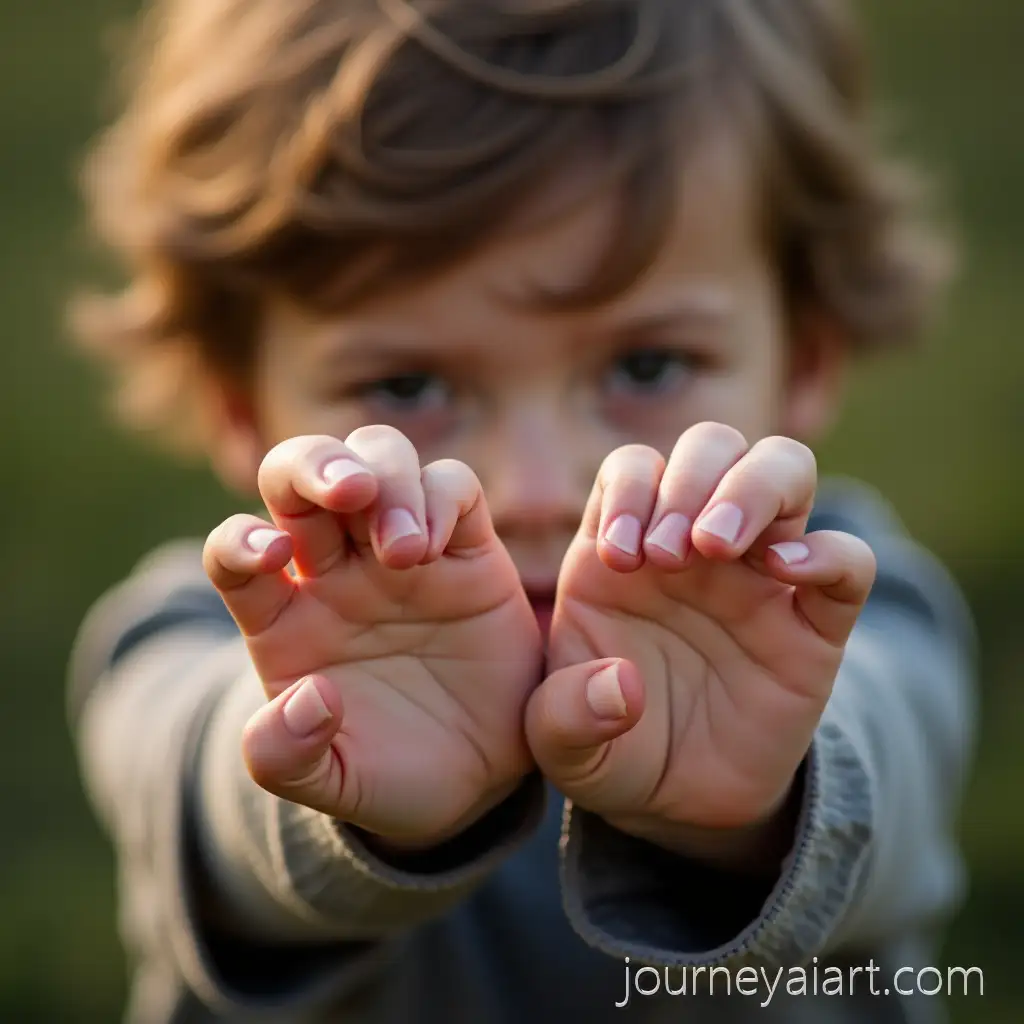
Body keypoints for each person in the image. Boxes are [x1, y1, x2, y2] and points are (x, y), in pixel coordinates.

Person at [67, 0, 978, 1021]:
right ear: (240, 401)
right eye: (408, 386)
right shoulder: (188, 637)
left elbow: (882, 762)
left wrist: (756, 798)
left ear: (805, 353)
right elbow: (200, 788)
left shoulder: (845, 605)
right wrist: (327, 766)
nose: (536, 491)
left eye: (646, 365)